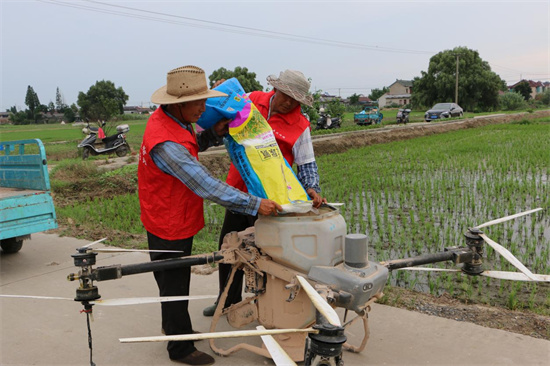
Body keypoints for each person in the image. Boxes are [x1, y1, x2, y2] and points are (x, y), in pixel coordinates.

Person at [138, 65, 282, 366]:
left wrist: (212, 135)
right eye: (199, 103)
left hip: (170, 211)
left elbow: (192, 144)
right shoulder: (164, 143)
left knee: (171, 279)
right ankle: (179, 348)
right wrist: (255, 204)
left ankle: (174, 327)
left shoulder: (172, 120)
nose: (204, 109)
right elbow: (207, 185)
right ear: (178, 103)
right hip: (168, 219)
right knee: (174, 282)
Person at [203, 69, 327, 317]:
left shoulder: (300, 125)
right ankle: (226, 300)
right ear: (276, 89)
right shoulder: (250, 100)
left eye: (296, 100)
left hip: (273, 200)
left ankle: (270, 307)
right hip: (239, 191)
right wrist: (219, 90)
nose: (289, 103)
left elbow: (307, 164)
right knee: (229, 247)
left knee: (269, 255)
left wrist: (312, 187)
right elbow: (222, 101)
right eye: (286, 96)